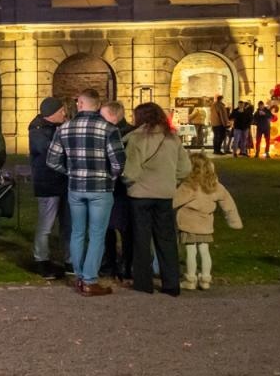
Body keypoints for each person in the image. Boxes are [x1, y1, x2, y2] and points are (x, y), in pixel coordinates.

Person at [47, 90, 125, 296]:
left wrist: (71, 171)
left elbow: (52, 160)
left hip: (76, 186)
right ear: (98, 106)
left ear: (80, 104)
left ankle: (79, 275)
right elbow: (119, 161)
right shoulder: (108, 129)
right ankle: (90, 279)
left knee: (77, 232)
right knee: (97, 234)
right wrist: (110, 175)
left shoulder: (64, 128)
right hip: (100, 187)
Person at [120, 102, 191, 295]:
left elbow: (131, 170)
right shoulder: (172, 138)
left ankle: (144, 282)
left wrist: (127, 181)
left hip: (140, 195)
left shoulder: (137, 138)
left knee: (141, 239)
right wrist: (170, 180)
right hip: (165, 194)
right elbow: (185, 169)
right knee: (167, 239)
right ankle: (171, 283)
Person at [174, 154, 243, 291]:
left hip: (189, 224)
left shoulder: (189, 186)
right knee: (205, 251)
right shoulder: (214, 186)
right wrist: (234, 222)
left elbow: (174, 200)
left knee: (191, 251)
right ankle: (205, 278)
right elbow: (228, 204)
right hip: (205, 224)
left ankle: (190, 279)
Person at [27, 96, 69, 280]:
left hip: (62, 181)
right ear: (52, 114)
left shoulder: (54, 128)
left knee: (68, 225)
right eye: (61, 111)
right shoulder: (38, 131)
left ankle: (70, 260)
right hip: (48, 182)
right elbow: (48, 152)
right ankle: (41, 260)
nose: (64, 114)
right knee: (46, 225)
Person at [99, 101, 134, 280]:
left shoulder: (125, 134)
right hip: (119, 187)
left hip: (120, 187)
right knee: (111, 229)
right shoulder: (128, 131)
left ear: (112, 116)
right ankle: (118, 264)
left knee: (120, 229)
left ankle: (117, 264)